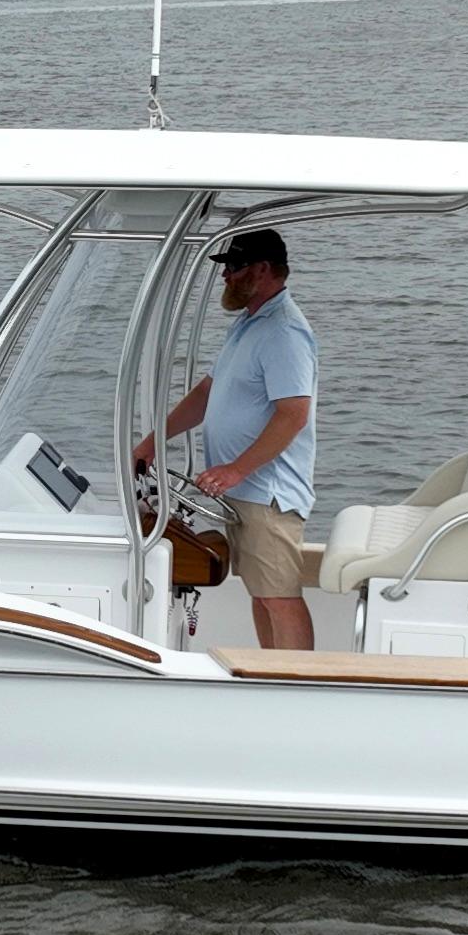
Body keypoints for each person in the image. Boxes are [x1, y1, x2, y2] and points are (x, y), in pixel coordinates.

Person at [147, 227, 321, 648]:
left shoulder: (283, 332)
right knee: (261, 595)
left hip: (268, 493)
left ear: (262, 270)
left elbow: (293, 415)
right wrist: (151, 443)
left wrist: (235, 470)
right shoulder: (248, 324)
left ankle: (299, 683)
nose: (225, 276)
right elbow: (207, 393)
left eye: (234, 267)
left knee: (279, 598)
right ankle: (271, 675)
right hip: (245, 491)